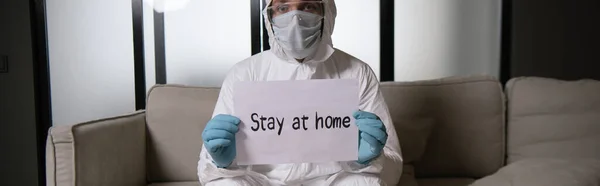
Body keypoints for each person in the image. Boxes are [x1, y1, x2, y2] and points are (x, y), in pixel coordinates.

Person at [197, 0, 403, 185]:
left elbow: (394, 166)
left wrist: (369, 158)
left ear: (326, 12)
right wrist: (223, 161)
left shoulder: (357, 72)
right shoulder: (243, 73)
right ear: (269, 16)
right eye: (283, 8)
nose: (295, 19)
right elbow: (206, 171)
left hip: (335, 181)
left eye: (308, 6)